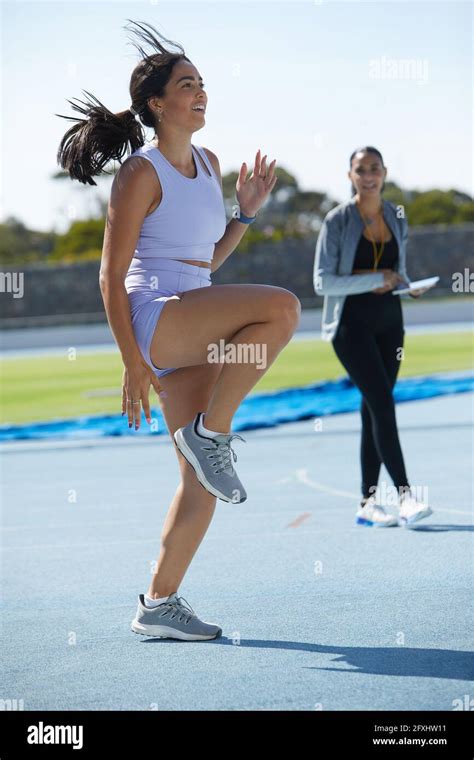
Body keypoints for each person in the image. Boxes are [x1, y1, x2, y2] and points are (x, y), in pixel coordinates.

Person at [56, 19, 300, 640]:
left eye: (203, 83)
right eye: (187, 84)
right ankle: (210, 431)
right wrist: (132, 362)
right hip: (153, 317)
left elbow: (206, 260)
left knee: (200, 483)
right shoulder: (138, 173)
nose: (201, 93)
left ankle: (158, 604)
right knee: (283, 308)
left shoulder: (210, 162)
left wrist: (245, 212)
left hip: (190, 308)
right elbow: (110, 277)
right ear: (157, 104)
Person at [313, 146, 433, 528]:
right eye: (361, 169)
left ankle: (366, 502)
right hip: (350, 326)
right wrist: (375, 280)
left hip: (390, 323)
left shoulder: (397, 215)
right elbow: (322, 282)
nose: (368, 175)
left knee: (373, 409)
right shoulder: (337, 221)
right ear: (350, 175)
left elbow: (398, 270)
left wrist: (407, 285)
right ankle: (406, 497)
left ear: (385, 173)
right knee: (382, 403)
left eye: (375, 168)